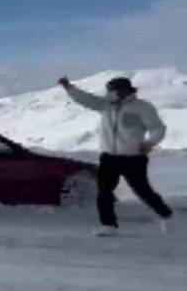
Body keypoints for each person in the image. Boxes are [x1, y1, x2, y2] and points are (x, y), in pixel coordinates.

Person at [59, 76, 174, 236]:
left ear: (124, 91)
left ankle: (166, 215)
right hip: (109, 158)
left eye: (112, 91)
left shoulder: (142, 107)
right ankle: (109, 225)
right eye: (109, 91)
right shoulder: (105, 106)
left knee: (142, 191)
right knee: (104, 190)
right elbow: (85, 99)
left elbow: (157, 128)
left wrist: (150, 142)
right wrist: (69, 88)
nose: (109, 94)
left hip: (133, 158)